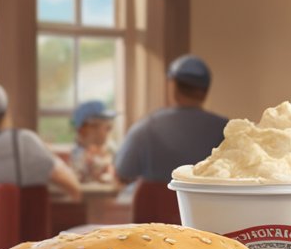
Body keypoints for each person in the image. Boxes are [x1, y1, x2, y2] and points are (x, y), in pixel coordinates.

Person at [115, 54, 229, 187]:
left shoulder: (146, 127)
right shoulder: (226, 131)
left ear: (173, 86)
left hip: (154, 207)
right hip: (205, 207)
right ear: (205, 92)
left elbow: (123, 172)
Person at [69, 99, 117, 184]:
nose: (109, 129)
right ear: (85, 129)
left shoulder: (109, 149)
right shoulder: (79, 155)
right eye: (105, 125)